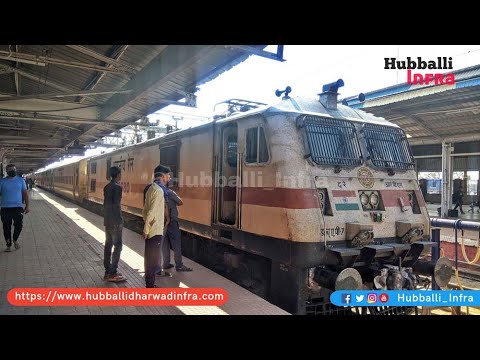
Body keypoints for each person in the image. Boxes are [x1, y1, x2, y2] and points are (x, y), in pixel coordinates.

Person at [142, 165, 171, 288]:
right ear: (163, 176)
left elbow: (145, 210)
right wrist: (146, 229)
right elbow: (152, 212)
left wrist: (146, 225)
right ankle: (150, 285)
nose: (169, 178)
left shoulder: (150, 188)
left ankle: (150, 284)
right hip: (155, 230)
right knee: (153, 260)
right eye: (168, 176)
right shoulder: (159, 191)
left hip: (151, 228)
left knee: (149, 258)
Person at [162, 176, 192, 272]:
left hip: (162, 222)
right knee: (176, 244)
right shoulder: (170, 192)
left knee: (165, 243)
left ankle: (166, 263)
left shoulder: (158, 192)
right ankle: (179, 265)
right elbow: (180, 202)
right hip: (172, 222)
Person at [102, 166, 127, 282]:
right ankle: (113, 273)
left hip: (107, 221)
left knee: (108, 245)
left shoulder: (107, 187)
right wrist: (120, 220)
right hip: (115, 221)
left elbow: (106, 204)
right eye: (120, 174)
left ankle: (107, 271)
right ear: (118, 175)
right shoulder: (117, 187)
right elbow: (116, 205)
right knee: (118, 246)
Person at [0, 164, 29, 252]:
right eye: (10, 169)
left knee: (19, 226)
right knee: (6, 227)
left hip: (17, 208)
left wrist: (27, 206)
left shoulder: (21, 181)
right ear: (7, 171)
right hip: (5, 208)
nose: (12, 171)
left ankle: (15, 239)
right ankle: (8, 245)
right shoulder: (2, 181)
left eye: (14, 169)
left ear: (16, 170)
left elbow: (25, 194)